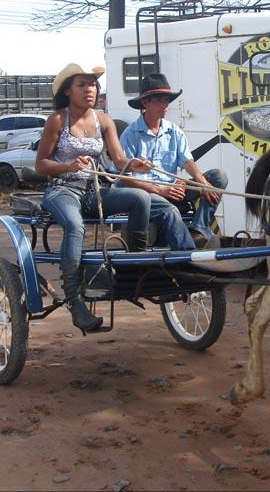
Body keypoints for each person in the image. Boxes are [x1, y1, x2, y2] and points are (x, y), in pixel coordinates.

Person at [35, 63, 153, 335]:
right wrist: (67, 166)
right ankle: (74, 299)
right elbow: (40, 165)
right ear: (68, 91)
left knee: (140, 198)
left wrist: (134, 165)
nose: (90, 90)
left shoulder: (104, 120)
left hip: (94, 191)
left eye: (93, 85)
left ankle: (134, 270)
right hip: (63, 190)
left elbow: (119, 160)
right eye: (82, 85)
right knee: (74, 226)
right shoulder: (57, 120)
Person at [119, 73, 228, 249]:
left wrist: (202, 182)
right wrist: (161, 189)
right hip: (146, 194)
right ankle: (189, 252)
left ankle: (198, 229)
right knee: (169, 209)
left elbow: (187, 161)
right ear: (145, 103)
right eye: (159, 100)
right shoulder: (130, 135)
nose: (165, 105)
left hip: (172, 190)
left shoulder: (174, 131)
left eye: (167, 100)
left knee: (218, 177)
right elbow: (125, 178)